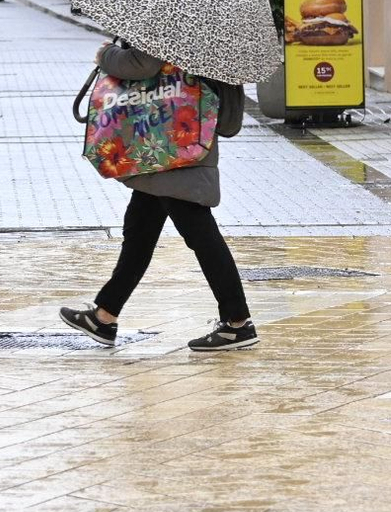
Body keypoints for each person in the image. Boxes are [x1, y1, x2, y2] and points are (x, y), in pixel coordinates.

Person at [60, 42, 257, 352]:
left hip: (172, 141)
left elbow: (143, 64)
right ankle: (104, 316)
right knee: (139, 230)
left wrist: (106, 55)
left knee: (200, 234)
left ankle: (237, 322)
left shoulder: (170, 19)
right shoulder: (205, 25)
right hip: (177, 142)